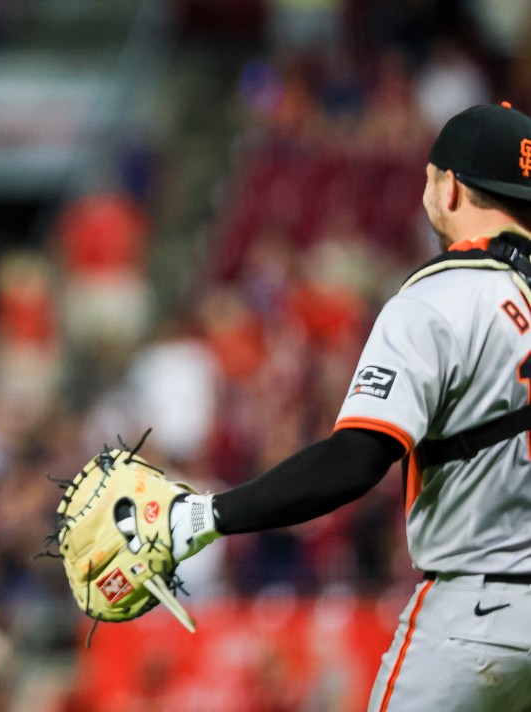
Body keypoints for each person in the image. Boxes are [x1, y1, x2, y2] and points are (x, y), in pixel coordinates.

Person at [170, 102, 531, 711]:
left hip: (477, 618)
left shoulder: (442, 296)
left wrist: (205, 517)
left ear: (450, 187)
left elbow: (357, 458)